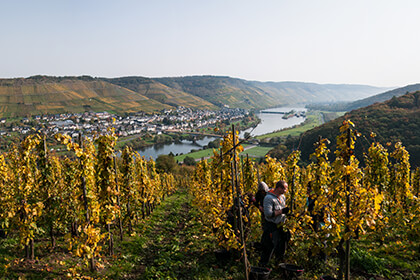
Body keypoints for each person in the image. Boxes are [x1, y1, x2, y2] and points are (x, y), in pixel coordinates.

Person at [259, 180, 290, 267]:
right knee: (269, 246)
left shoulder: (282, 197)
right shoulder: (268, 198)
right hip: (271, 226)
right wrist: (282, 211)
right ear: (279, 188)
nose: (286, 191)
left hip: (281, 225)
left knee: (281, 246)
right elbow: (268, 214)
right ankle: (263, 266)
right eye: (285, 188)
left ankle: (278, 264)